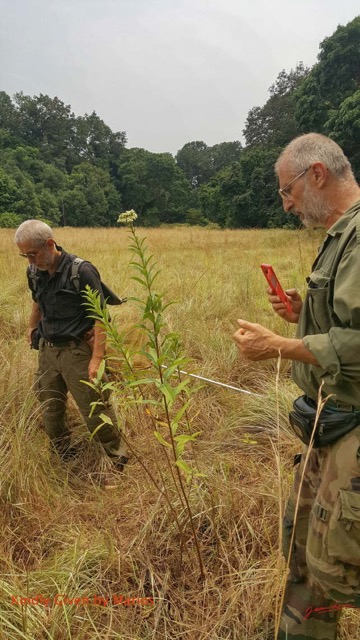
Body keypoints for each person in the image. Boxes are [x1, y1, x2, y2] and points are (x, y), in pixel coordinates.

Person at [233, 133, 360, 640]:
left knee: (339, 564)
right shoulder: (339, 234)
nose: (286, 204)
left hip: (353, 426)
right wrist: (301, 312)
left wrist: (281, 347)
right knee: (304, 547)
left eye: (287, 191)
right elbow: (342, 321)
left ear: (316, 175)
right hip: (331, 422)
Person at [15, 219, 128, 477]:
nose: (30, 262)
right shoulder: (34, 271)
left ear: (50, 244)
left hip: (77, 352)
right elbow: (37, 300)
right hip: (48, 351)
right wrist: (32, 328)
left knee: (94, 408)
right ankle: (63, 453)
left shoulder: (81, 272)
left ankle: (116, 458)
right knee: (50, 407)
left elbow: (101, 317)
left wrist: (96, 359)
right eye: (25, 256)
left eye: (32, 254)